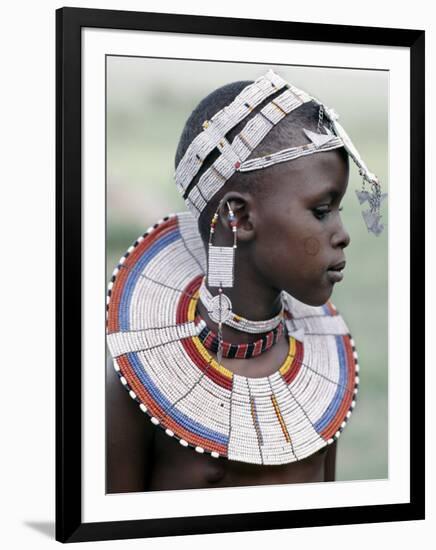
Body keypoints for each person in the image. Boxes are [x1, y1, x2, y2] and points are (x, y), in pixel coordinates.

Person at [106, 69, 385, 492]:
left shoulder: (329, 373)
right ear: (238, 217)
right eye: (322, 209)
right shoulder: (133, 386)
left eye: (340, 208)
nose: (342, 233)